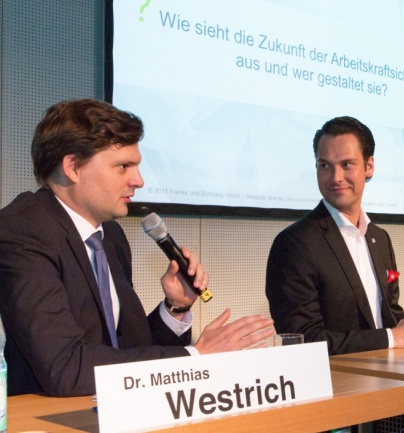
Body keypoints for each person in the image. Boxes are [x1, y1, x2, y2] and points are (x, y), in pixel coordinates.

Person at [0, 99, 275, 397]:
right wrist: (196, 356)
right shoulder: (21, 231)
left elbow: (128, 351)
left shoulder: (111, 235)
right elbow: (67, 368)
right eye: (123, 167)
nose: (139, 181)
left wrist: (175, 307)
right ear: (73, 167)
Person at [265, 116, 404, 355]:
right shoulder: (294, 244)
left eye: (346, 164)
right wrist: (390, 337)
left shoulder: (380, 239)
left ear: (369, 166)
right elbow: (303, 339)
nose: (335, 177)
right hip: (333, 377)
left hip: (389, 373)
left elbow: (388, 314)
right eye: (324, 165)